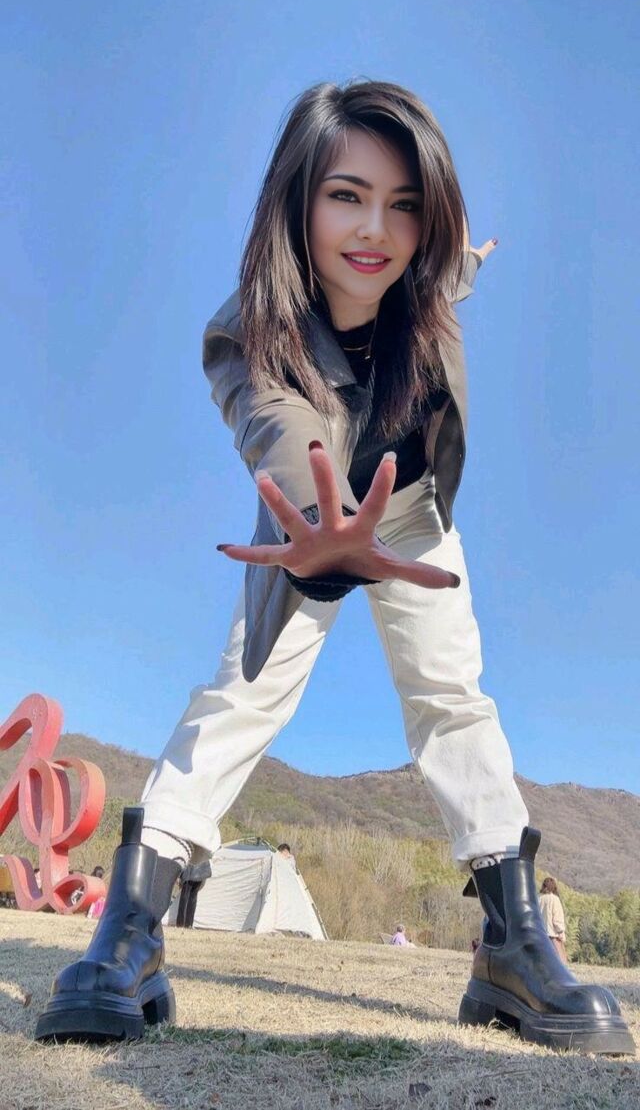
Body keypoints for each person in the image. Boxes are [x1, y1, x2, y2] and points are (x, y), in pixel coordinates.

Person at [36, 80, 634, 1056]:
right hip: (313, 520)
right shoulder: (249, 328)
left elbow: (448, 273)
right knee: (243, 695)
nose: (374, 231)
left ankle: (513, 946)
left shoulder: (427, 283)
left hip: (412, 512)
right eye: (346, 196)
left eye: (404, 205)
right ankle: (130, 932)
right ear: (298, 198)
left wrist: (470, 261)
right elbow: (276, 425)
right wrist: (318, 529)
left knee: (451, 696)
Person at [539, 876, 568, 962]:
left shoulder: (539, 899)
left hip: (540, 936)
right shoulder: (554, 899)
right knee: (560, 964)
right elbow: (557, 919)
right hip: (553, 937)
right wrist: (561, 932)